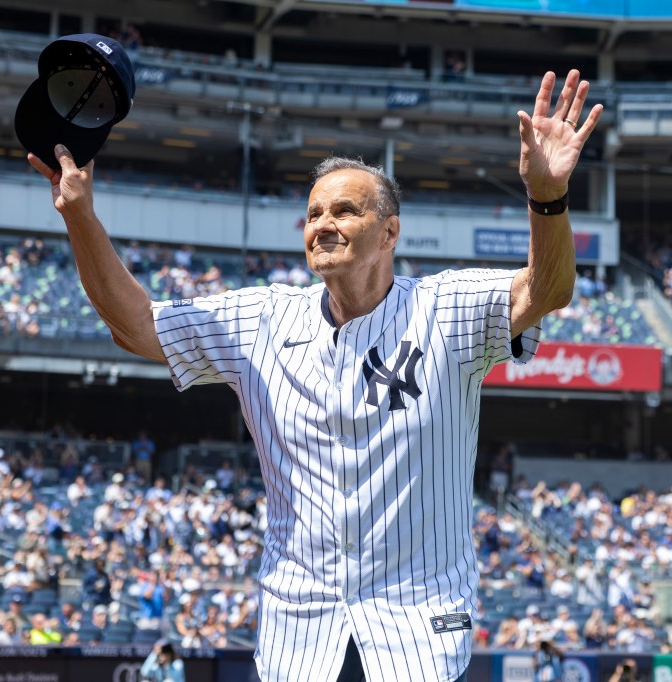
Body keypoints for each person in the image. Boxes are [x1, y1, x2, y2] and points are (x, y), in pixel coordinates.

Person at [29, 68, 601, 682]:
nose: (322, 224)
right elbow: (137, 327)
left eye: (346, 211)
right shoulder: (262, 319)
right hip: (298, 639)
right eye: (313, 214)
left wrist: (547, 195)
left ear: (390, 233)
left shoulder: (444, 308)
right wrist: (80, 215)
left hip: (417, 638)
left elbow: (550, 287)